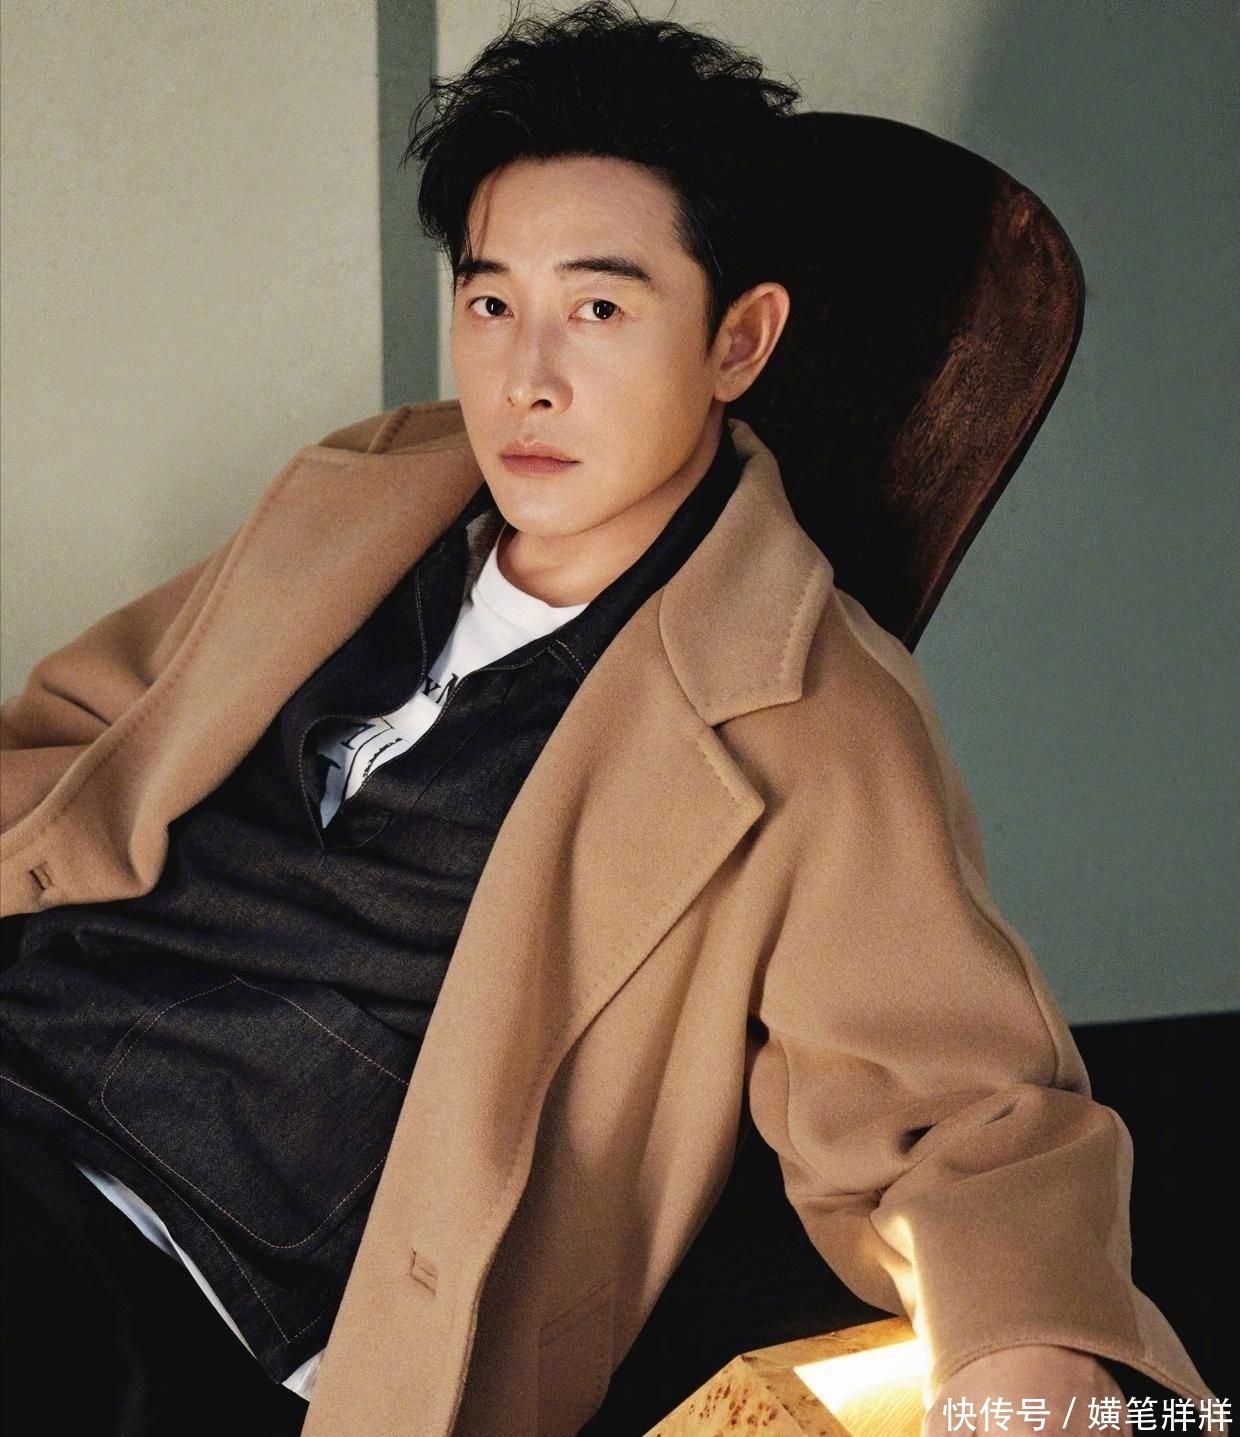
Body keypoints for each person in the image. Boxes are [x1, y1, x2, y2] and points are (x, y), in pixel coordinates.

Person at [0, 4, 1212, 1436]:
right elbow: (87, 745)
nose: (527, 375)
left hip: (199, 1276)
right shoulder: (366, 494)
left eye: (600, 309)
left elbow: (951, 1110)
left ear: (738, 340)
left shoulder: (808, 706)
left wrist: (1029, 1359)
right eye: (490, 302)